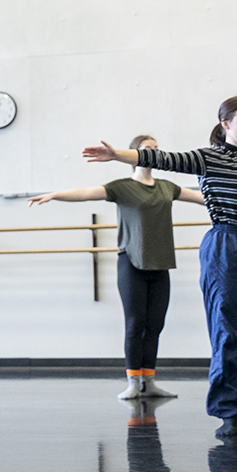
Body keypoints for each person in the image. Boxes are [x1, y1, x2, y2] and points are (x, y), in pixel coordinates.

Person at [82, 101, 237, 433]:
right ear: (225, 123)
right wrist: (117, 155)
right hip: (227, 246)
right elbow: (161, 158)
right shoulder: (209, 158)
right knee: (228, 331)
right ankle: (229, 412)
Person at [31, 134, 208, 401]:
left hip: (160, 264)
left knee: (155, 324)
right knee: (135, 324)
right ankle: (133, 382)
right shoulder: (123, 187)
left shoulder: (167, 187)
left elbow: (202, 198)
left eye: (157, 150)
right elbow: (87, 193)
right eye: (148, 149)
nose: (154, 154)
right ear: (134, 154)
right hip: (132, 263)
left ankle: (149, 381)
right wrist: (55, 195)